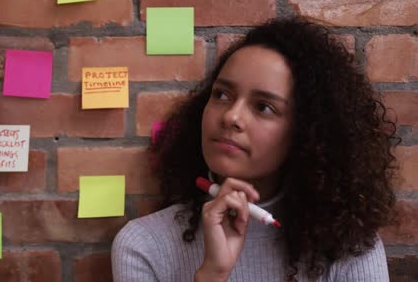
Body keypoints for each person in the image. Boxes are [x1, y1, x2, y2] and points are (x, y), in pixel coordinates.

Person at [111, 16, 400, 281]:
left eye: (263, 107)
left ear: (305, 132)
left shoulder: (349, 245)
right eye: (222, 94)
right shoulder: (143, 245)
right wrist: (212, 273)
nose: (231, 117)